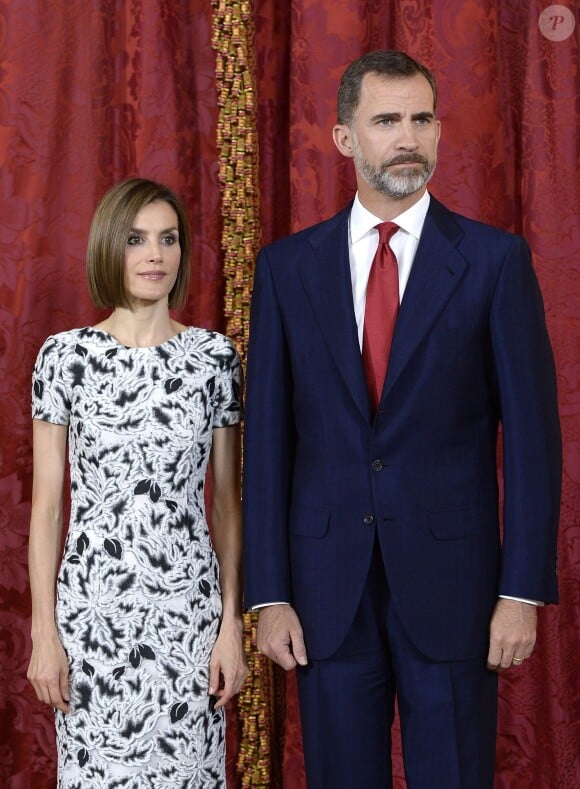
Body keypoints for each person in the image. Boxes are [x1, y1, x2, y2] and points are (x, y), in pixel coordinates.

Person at [242, 51, 561, 788]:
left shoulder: (494, 262)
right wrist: (270, 591)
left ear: (441, 133)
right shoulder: (287, 269)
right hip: (326, 594)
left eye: (421, 119)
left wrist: (521, 592)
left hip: (457, 588)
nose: (407, 137)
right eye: (386, 120)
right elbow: (268, 443)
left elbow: (536, 441)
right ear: (345, 137)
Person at [27, 178, 247, 787]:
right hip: (92, 618)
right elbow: (47, 509)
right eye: (136, 239)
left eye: (168, 239)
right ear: (109, 249)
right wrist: (46, 633)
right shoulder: (64, 357)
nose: (155, 255)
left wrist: (231, 628)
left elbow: (227, 506)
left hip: (188, 617)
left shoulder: (214, 359)